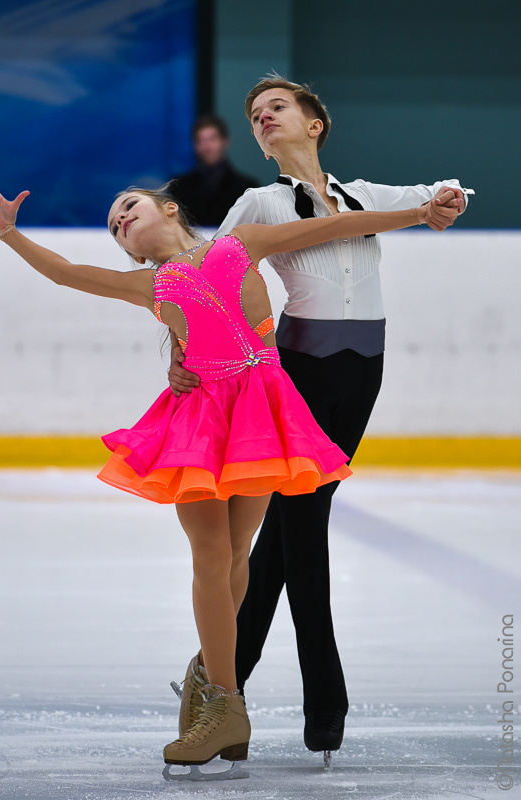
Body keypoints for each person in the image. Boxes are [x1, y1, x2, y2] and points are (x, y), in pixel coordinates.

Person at [0, 167, 458, 780]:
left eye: (129, 207)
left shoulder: (240, 243)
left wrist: (419, 213)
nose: (122, 220)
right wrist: (11, 234)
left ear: (169, 210)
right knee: (210, 551)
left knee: (235, 558)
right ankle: (227, 705)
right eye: (115, 225)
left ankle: (207, 676)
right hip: (196, 422)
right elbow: (69, 274)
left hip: (258, 411)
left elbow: (339, 224)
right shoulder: (149, 285)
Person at [168, 75, 472, 760]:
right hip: (298, 375)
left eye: (277, 107)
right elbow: (203, 283)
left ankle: (223, 691)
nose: (264, 118)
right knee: (305, 531)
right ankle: (324, 707)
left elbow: (439, 194)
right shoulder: (260, 201)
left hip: (364, 371)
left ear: (314, 124)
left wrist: (448, 198)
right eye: (255, 116)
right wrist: (184, 353)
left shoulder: (367, 196)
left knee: (286, 534)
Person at [169, 114, 258, 227]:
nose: (207, 147)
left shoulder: (246, 189)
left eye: (212, 139)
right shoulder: (179, 187)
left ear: (225, 141)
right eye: (200, 140)